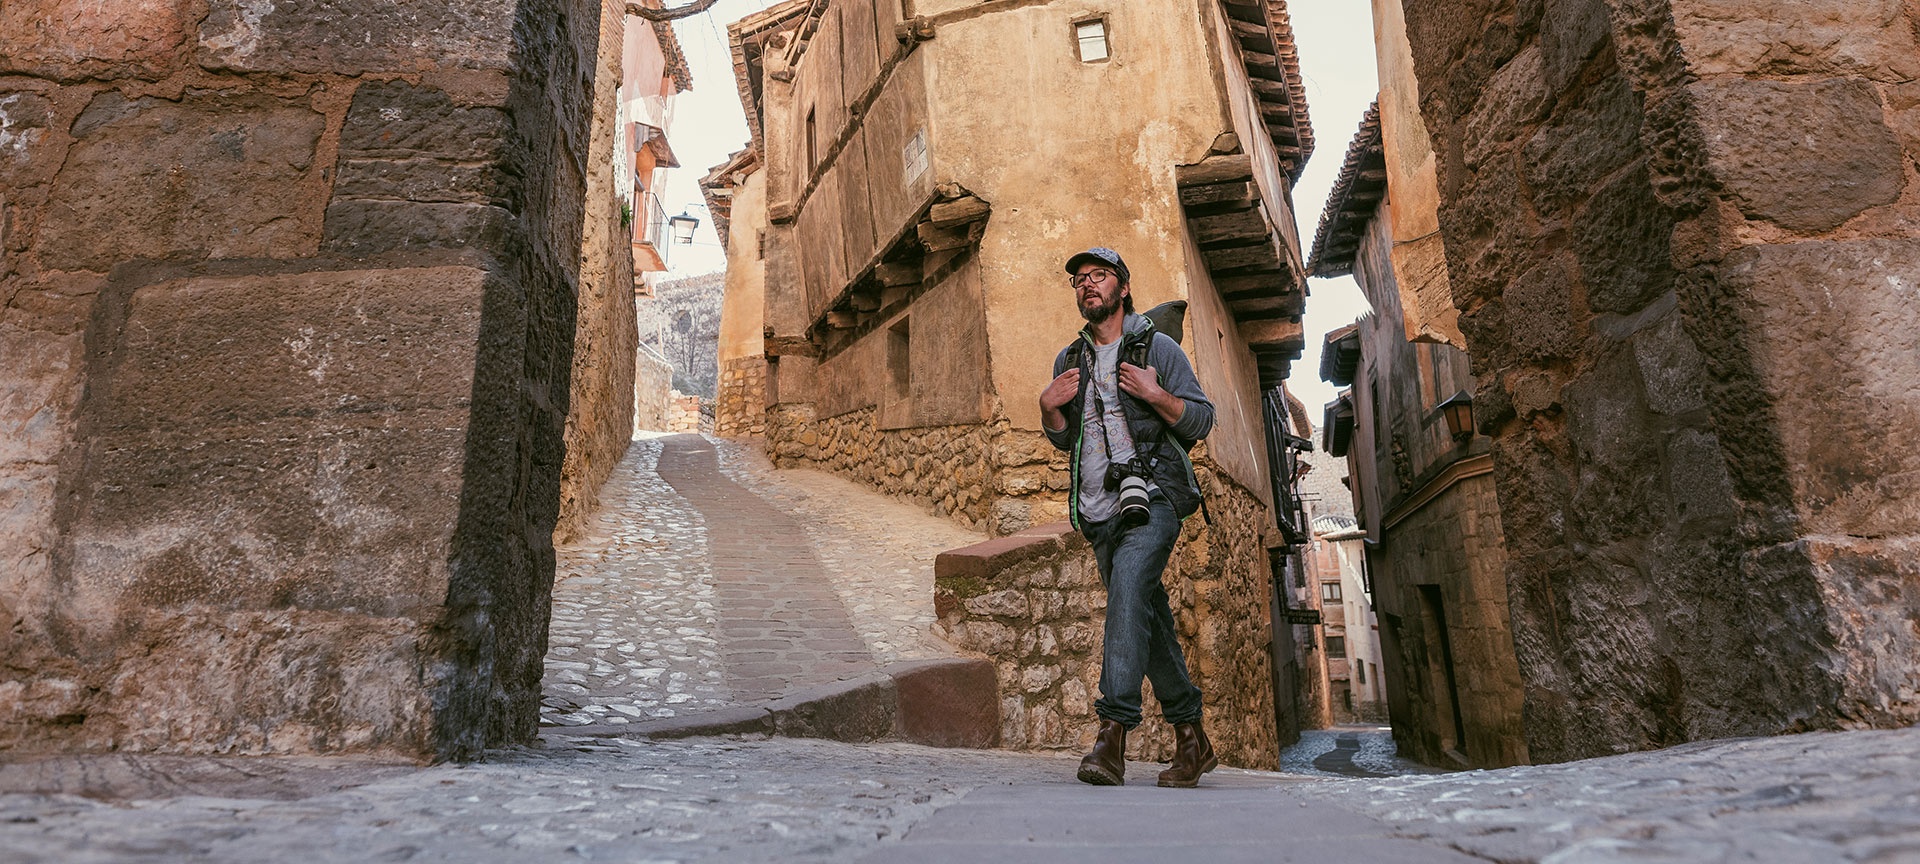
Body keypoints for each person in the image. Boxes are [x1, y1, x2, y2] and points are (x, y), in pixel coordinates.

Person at [1039, 246, 1218, 788]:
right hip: (1098, 509)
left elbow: (1201, 420)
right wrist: (1048, 409)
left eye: (1098, 276)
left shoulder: (1157, 349)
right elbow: (1068, 440)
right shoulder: (1068, 361)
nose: (1087, 285)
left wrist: (1157, 395)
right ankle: (1193, 739)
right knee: (1147, 613)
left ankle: (1111, 734)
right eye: (1079, 279)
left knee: (1126, 594)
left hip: (1154, 496)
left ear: (1122, 285)